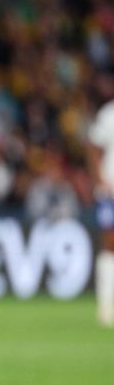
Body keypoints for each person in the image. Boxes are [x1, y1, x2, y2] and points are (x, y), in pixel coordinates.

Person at [87, 78, 114, 327]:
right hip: (111, 191)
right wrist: (100, 181)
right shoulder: (109, 115)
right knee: (110, 243)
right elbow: (93, 148)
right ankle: (106, 306)